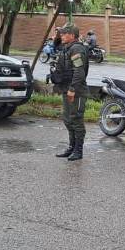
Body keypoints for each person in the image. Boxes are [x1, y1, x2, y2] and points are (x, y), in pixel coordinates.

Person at [53, 25, 90, 161]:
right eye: (61, 34)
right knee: (68, 120)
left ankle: (78, 150)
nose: (61, 36)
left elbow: (79, 71)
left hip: (76, 91)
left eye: (64, 34)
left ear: (72, 36)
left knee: (76, 120)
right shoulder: (67, 48)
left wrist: (72, 89)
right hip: (66, 89)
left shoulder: (77, 49)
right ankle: (71, 147)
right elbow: (55, 44)